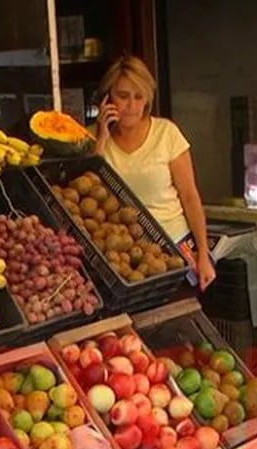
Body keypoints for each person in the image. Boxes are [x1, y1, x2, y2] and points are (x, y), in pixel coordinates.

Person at [93, 56, 216, 292]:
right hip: (124, 257)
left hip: (174, 247)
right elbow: (89, 190)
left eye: (138, 97)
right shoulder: (96, 140)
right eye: (123, 96)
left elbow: (190, 197)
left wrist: (202, 253)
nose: (131, 105)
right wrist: (101, 139)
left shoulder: (166, 133)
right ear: (107, 97)